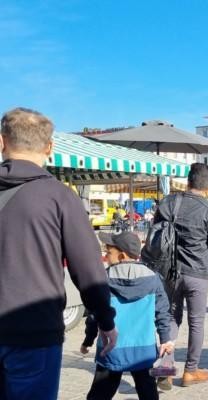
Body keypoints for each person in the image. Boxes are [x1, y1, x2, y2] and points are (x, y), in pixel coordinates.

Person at [0, 108, 117, 400]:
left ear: (2, 142)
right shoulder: (60, 197)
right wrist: (105, 321)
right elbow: (89, 270)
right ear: (50, 148)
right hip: (34, 331)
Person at [81, 231, 174, 400]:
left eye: (109, 252)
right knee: (148, 391)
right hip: (143, 349)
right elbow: (163, 311)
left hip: (110, 349)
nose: (106, 256)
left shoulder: (104, 279)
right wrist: (166, 338)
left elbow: (95, 314)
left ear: (122, 256)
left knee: (100, 393)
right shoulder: (153, 279)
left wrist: (88, 340)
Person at [153, 163, 208, 389]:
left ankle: (165, 366)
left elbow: (156, 234)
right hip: (197, 273)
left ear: (188, 180)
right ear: (207, 185)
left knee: (171, 317)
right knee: (196, 322)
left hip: (169, 271)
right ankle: (190, 371)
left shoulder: (168, 202)